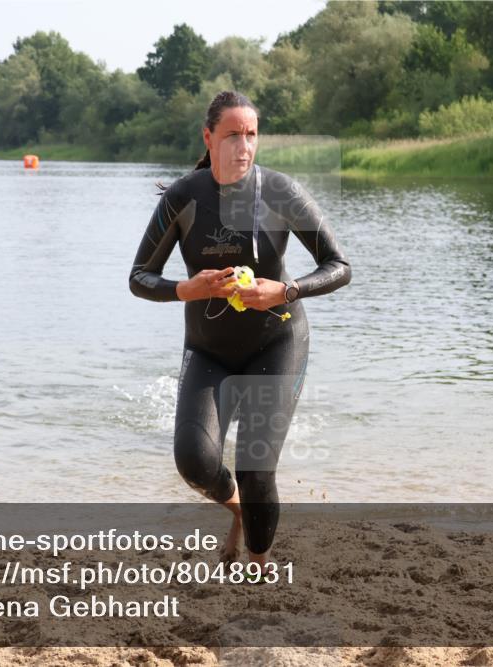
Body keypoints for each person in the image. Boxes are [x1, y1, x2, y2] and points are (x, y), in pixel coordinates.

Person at [129, 90, 351, 576]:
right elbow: (139, 278)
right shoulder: (184, 198)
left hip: (278, 342)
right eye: (232, 135)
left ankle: (260, 566)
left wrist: (286, 291)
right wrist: (187, 289)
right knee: (194, 462)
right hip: (209, 351)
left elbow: (339, 267)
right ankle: (241, 514)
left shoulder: (281, 194)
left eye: (251, 134)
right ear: (209, 138)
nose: (243, 145)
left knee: (255, 472)